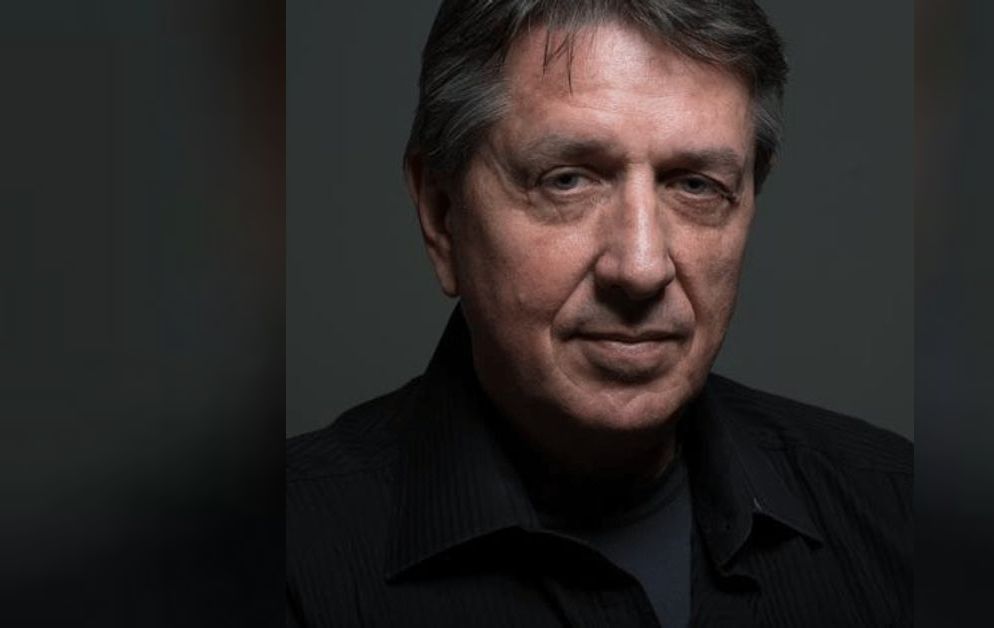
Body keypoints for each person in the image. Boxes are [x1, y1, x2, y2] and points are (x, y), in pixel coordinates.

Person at [287, 1, 911, 626]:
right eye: (567, 180)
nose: (640, 267)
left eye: (695, 185)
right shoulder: (287, 560)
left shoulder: (898, 512)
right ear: (441, 214)